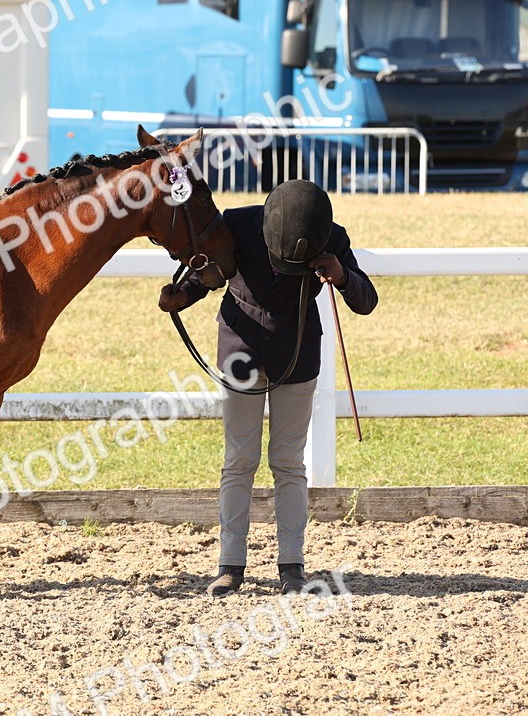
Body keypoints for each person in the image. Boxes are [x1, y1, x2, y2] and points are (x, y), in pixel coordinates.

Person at [158, 179, 378, 595]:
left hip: (296, 353)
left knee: (288, 462)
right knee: (239, 458)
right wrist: (180, 297)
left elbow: (366, 300)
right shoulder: (238, 223)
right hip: (239, 349)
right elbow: (209, 273)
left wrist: (343, 275)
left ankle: (291, 564)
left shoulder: (332, 236)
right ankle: (230, 564)